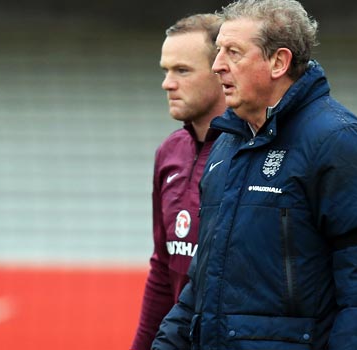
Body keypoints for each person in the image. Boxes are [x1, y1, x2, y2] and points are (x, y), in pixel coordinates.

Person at [152, 0, 357, 349]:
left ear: (278, 62)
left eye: (233, 52)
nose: (218, 65)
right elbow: (203, 280)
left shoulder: (338, 141)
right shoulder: (226, 144)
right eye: (218, 50)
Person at [130, 13, 226, 350]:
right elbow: (163, 268)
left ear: (222, 72)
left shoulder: (251, 153)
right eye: (166, 71)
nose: (167, 83)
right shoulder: (170, 152)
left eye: (182, 71)